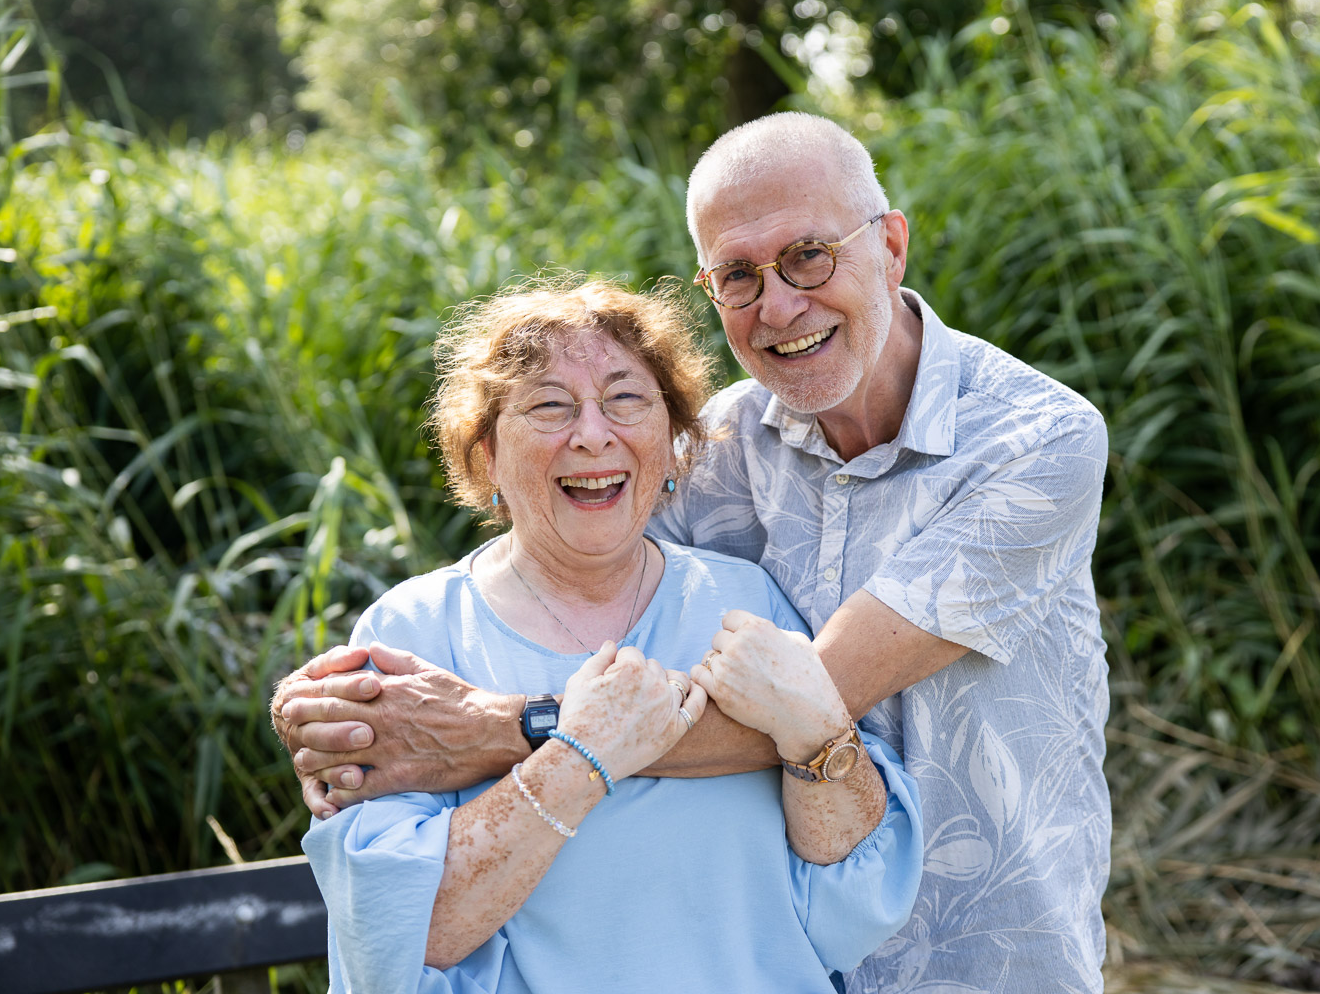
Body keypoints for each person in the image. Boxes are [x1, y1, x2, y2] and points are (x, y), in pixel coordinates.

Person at [276, 113, 1110, 993]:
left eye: (809, 256)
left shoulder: (1033, 440)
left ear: (891, 245)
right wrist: (335, 711)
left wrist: (493, 728)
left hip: (981, 954)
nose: (779, 305)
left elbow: (824, 692)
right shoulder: (715, 451)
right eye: (738, 276)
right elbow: (557, 552)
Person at [299, 280, 922, 993]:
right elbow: (405, 932)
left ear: (674, 440)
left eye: (626, 399)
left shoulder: (744, 600)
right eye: (549, 405)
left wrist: (819, 735)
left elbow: (853, 912)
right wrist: (576, 756)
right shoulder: (410, 635)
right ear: (485, 456)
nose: (593, 434)